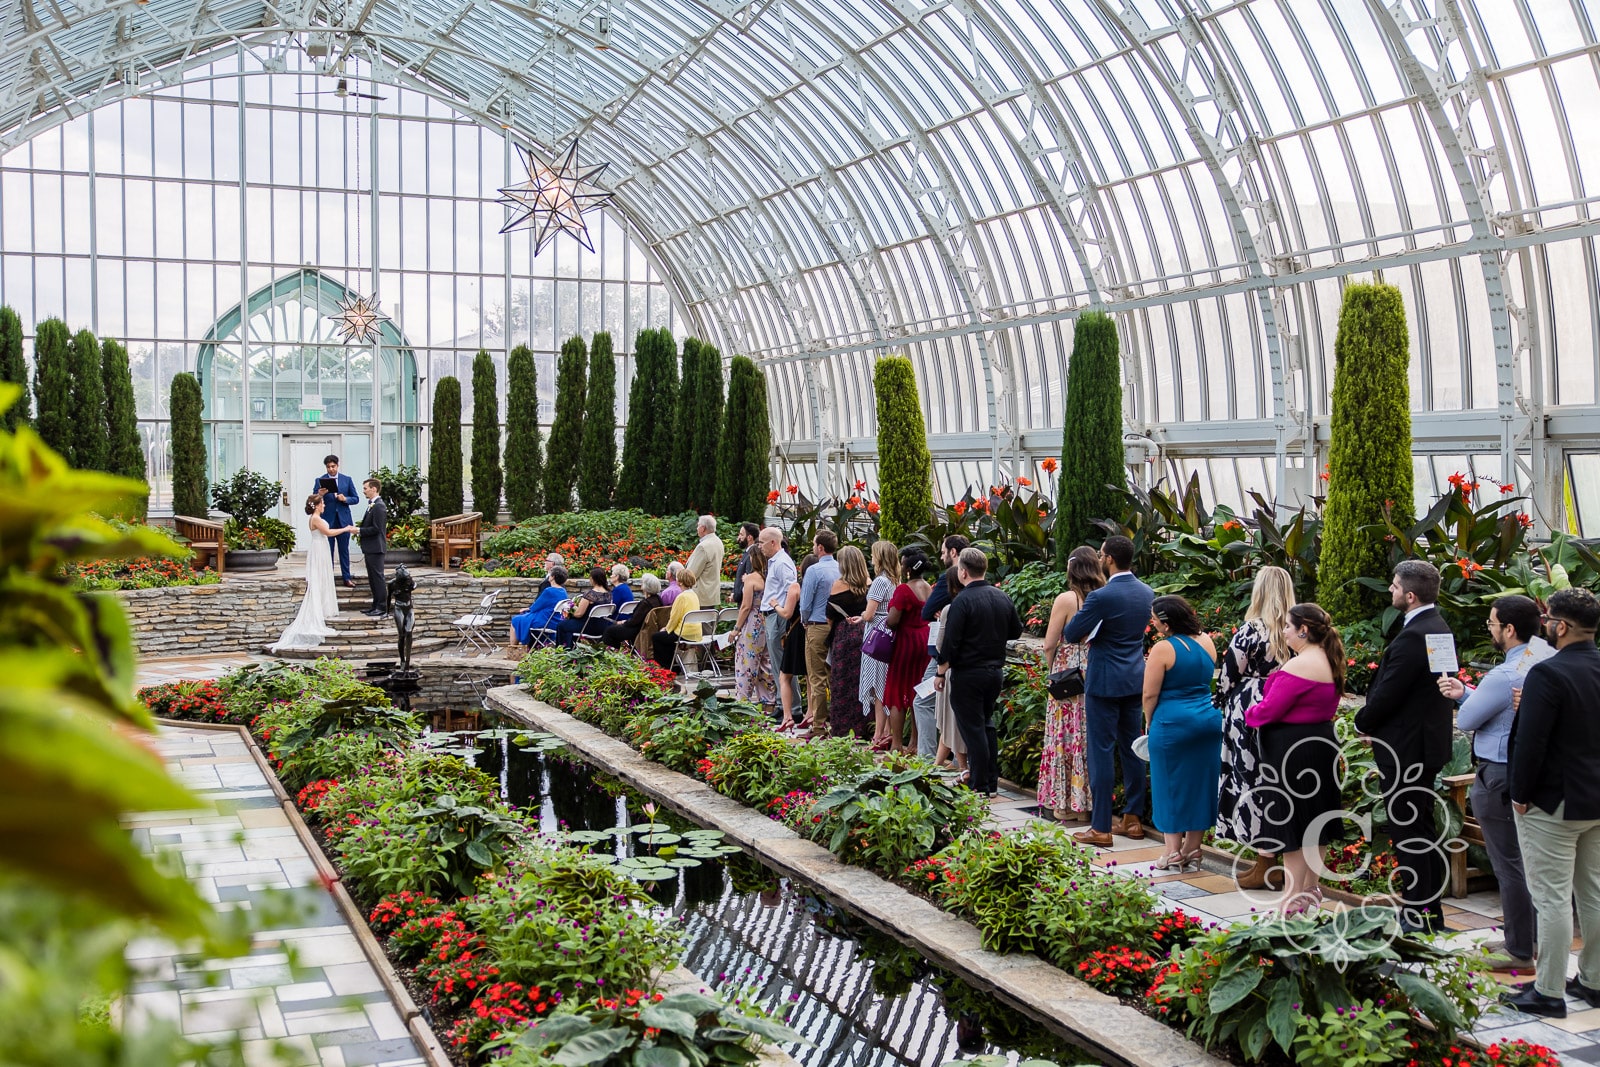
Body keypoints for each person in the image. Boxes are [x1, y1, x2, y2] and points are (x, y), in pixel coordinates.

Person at [1502, 587, 1600, 1018]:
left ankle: (1548, 991)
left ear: (1560, 626)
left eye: (1548, 622)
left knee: (1552, 897)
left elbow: (1530, 745)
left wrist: (1519, 794)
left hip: (1553, 802)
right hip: (1596, 799)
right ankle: (1595, 981)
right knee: (1593, 893)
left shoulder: (1548, 674)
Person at [1436, 595, 1542, 972]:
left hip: (1499, 773)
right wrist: (1466, 693)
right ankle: (1534, 940)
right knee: (1532, 863)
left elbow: (1467, 720)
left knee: (1509, 863)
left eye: (1492, 624)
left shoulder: (1505, 675)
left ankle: (1519, 949)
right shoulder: (1543, 657)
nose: (1490, 629)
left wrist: (1466, 699)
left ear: (1509, 629)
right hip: (1539, 774)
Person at [1353, 559, 1455, 933]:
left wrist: (1362, 721)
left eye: (1394, 587)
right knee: (1421, 829)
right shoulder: (1439, 627)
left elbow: (1390, 692)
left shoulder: (1415, 635)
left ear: (1410, 595)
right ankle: (1430, 912)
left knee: (1409, 832)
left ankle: (1417, 914)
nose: (1391, 591)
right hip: (1423, 747)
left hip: (1407, 750)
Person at [1245, 603, 1344, 915]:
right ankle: (1310, 888)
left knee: (1293, 825)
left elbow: (1268, 710)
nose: (1284, 631)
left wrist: (1250, 711)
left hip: (1295, 750)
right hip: (1320, 744)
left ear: (1303, 630)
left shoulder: (1301, 665)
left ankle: (1292, 898)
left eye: (1287, 626)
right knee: (1316, 819)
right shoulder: (1327, 658)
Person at [1062, 535, 1154, 847]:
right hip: (1133, 678)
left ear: (1110, 559)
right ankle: (1133, 817)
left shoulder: (1101, 597)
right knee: (1132, 748)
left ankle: (1101, 826)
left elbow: (1072, 632)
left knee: (1100, 750)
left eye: (1102, 555)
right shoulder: (1146, 592)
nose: (1100, 559)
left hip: (1103, 680)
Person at [1216, 566, 1294, 887]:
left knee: (1248, 777)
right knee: (1273, 777)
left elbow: (1229, 673)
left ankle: (1264, 858)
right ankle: (1271, 857)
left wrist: (1220, 699)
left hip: (1249, 707)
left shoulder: (1251, 630)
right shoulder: (1296, 629)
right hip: (1284, 703)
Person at [1142, 594, 1221, 871]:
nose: (1151, 624)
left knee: (1169, 786)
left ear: (1165, 623)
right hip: (1208, 722)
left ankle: (1173, 852)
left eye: (1153, 619)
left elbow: (1150, 694)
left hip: (1172, 723)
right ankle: (1193, 849)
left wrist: (1150, 723)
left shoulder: (1163, 649)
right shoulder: (1207, 641)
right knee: (1200, 785)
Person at [934, 548, 1023, 795]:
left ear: (963, 572)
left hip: (968, 673)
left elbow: (950, 643)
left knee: (973, 729)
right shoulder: (1001, 597)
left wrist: (940, 673)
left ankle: (980, 785)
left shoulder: (961, 601)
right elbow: (1016, 630)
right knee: (986, 725)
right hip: (994, 671)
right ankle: (991, 783)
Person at [1038, 546, 1103, 822]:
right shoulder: (1103, 597)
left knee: (1064, 738)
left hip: (1068, 675)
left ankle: (1064, 804)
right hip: (1096, 671)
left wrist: (1052, 667)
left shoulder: (1067, 599)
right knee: (1087, 738)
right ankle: (1087, 806)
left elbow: (1050, 643)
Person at [270, 495, 356, 651]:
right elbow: (328, 532)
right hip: (318, 548)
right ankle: (319, 608)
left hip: (321, 547)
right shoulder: (315, 518)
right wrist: (346, 528)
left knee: (324, 576)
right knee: (319, 578)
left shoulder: (316, 517)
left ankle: (325, 606)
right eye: (322, 503)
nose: (324, 505)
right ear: (316, 505)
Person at [915, 536, 969, 759]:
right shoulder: (978, 581)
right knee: (958, 706)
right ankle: (957, 760)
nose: (941, 556)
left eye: (944, 551)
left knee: (922, 701)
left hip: (943, 656)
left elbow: (927, 612)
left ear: (954, 552)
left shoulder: (949, 577)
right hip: (970, 658)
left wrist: (942, 610)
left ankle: (927, 758)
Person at [882, 547, 933, 755]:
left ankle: (896, 743)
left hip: (906, 642)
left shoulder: (904, 589)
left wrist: (885, 619)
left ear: (908, 568)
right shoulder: (929, 587)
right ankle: (914, 742)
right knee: (918, 692)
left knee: (897, 690)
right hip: (925, 640)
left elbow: (893, 621)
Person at [826, 545, 872, 740]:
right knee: (863, 682)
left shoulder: (838, 585)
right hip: (865, 634)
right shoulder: (870, 583)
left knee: (841, 683)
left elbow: (829, 616)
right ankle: (865, 727)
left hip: (844, 636)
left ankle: (843, 730)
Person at [858, 540, 901, 749]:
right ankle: (886, 732)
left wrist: (862, 616)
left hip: (876, 635)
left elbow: (870, 613)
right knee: (884, 684)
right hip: (889, 633)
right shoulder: (895, 581)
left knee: (876, 687)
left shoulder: (879, 581)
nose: (872, 558)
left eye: (874, 554)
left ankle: (878, 734)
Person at [758, 527, 801, 726]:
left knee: (782, 664)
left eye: (761, 543)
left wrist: (781, 610)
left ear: (773, 543)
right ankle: (786, 705)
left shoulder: (782, 563)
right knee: (779, 664)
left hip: (778, 616)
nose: (759, 547)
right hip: (772, 614)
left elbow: (793, 589)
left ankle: (791, 708)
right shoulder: (775, 561)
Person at [800, 530, 841, 736]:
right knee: (834, 675)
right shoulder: (841, 568)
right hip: (838, 626)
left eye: (814, 544)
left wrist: (804, 621)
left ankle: (819, 726)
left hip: (816, 624)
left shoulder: (814, 571)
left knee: (816, 677)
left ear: (820, 548)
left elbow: (805, 603)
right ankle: (838, 722)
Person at [777, 553, 816, 732]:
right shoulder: (819, 585)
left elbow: (787, 613)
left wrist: (774, 604)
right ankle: (810, 712)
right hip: (810, 631)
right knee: (810, 676)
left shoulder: (796, 587)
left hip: (795, 632)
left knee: (785, 676)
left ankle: (787, 716)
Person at [734, 547, 777, 708]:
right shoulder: (769, 577)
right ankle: (768, 700)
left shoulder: (751, 579)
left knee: (746, 661)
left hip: (752, 622)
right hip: (767, 621)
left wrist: (736, 629)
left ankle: (743, 701)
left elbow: (745, 606)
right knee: (766, 662)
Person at [312, 455, 359, 587]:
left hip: (343, 519)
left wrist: (345, 499)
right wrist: (320, 494)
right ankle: (328, 577)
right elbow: (313, 499)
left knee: (344, 549)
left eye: (333, 466)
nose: (331, 469)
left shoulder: (347, 480)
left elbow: (356, 498)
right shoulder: (320, 480)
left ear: (338, 465)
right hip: (328, 519)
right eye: (328, 467)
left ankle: (347, 577)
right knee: (328, 550)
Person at [509, 567, 570, 647]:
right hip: (556, 620)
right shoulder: (563, 591)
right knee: (524, 616)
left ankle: (513, 649)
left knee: (516, 620)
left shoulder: (549, 591)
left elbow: (535, 607)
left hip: (545, 621)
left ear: (553, 577)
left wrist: (527, 609)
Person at [555, 566, 611, 647]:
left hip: (588, 626)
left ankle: (565, 651)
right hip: (603, 626)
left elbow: (579, 614)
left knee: (562, 625)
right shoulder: (609, 594)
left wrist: (570, 609)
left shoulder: (590, 594)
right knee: (569, 624)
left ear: (593, 579)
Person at [604, 574, 662, 650]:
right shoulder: (658, 600)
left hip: (637, 630)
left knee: (609, 631)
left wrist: (623, 622)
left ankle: (614, 653)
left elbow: (633, 621)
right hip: (648, 628)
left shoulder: (645, 603)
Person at [356, 478, 388, 618]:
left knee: (378, 577)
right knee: (372, 578)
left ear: (374, 489)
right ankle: (375, 605)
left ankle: (382, 607)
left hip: (376, 547)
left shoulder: (379, 506)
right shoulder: (372, 505)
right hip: (371, 548)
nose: (364, 491)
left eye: (365, 488)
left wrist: (359, 530)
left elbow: (377, 528)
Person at [653, 585, 704, 670]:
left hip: (684, 633)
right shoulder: (694, 595)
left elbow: (674, 618)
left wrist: (666, 629)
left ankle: (665, 668)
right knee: (667, 638)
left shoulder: (681, 597)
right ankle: (673, 666)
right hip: (696, 633)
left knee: (656, 637)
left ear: (679, 582)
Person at [684, 515, 725, 608]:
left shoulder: (703, 546)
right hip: (712, 594)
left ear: (703, 528)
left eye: (698, 525)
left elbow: (692, 573)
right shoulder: (718, 542)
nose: (697, 528)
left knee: (698, 622)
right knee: (709, 621)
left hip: (700, 595)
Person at [730, 522, 761, 609]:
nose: (738, 538)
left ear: (749, 537)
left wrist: (737, 595)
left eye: (741, 534)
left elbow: (748, 578)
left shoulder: (753, 555)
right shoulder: (747, 553)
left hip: (746, 603)